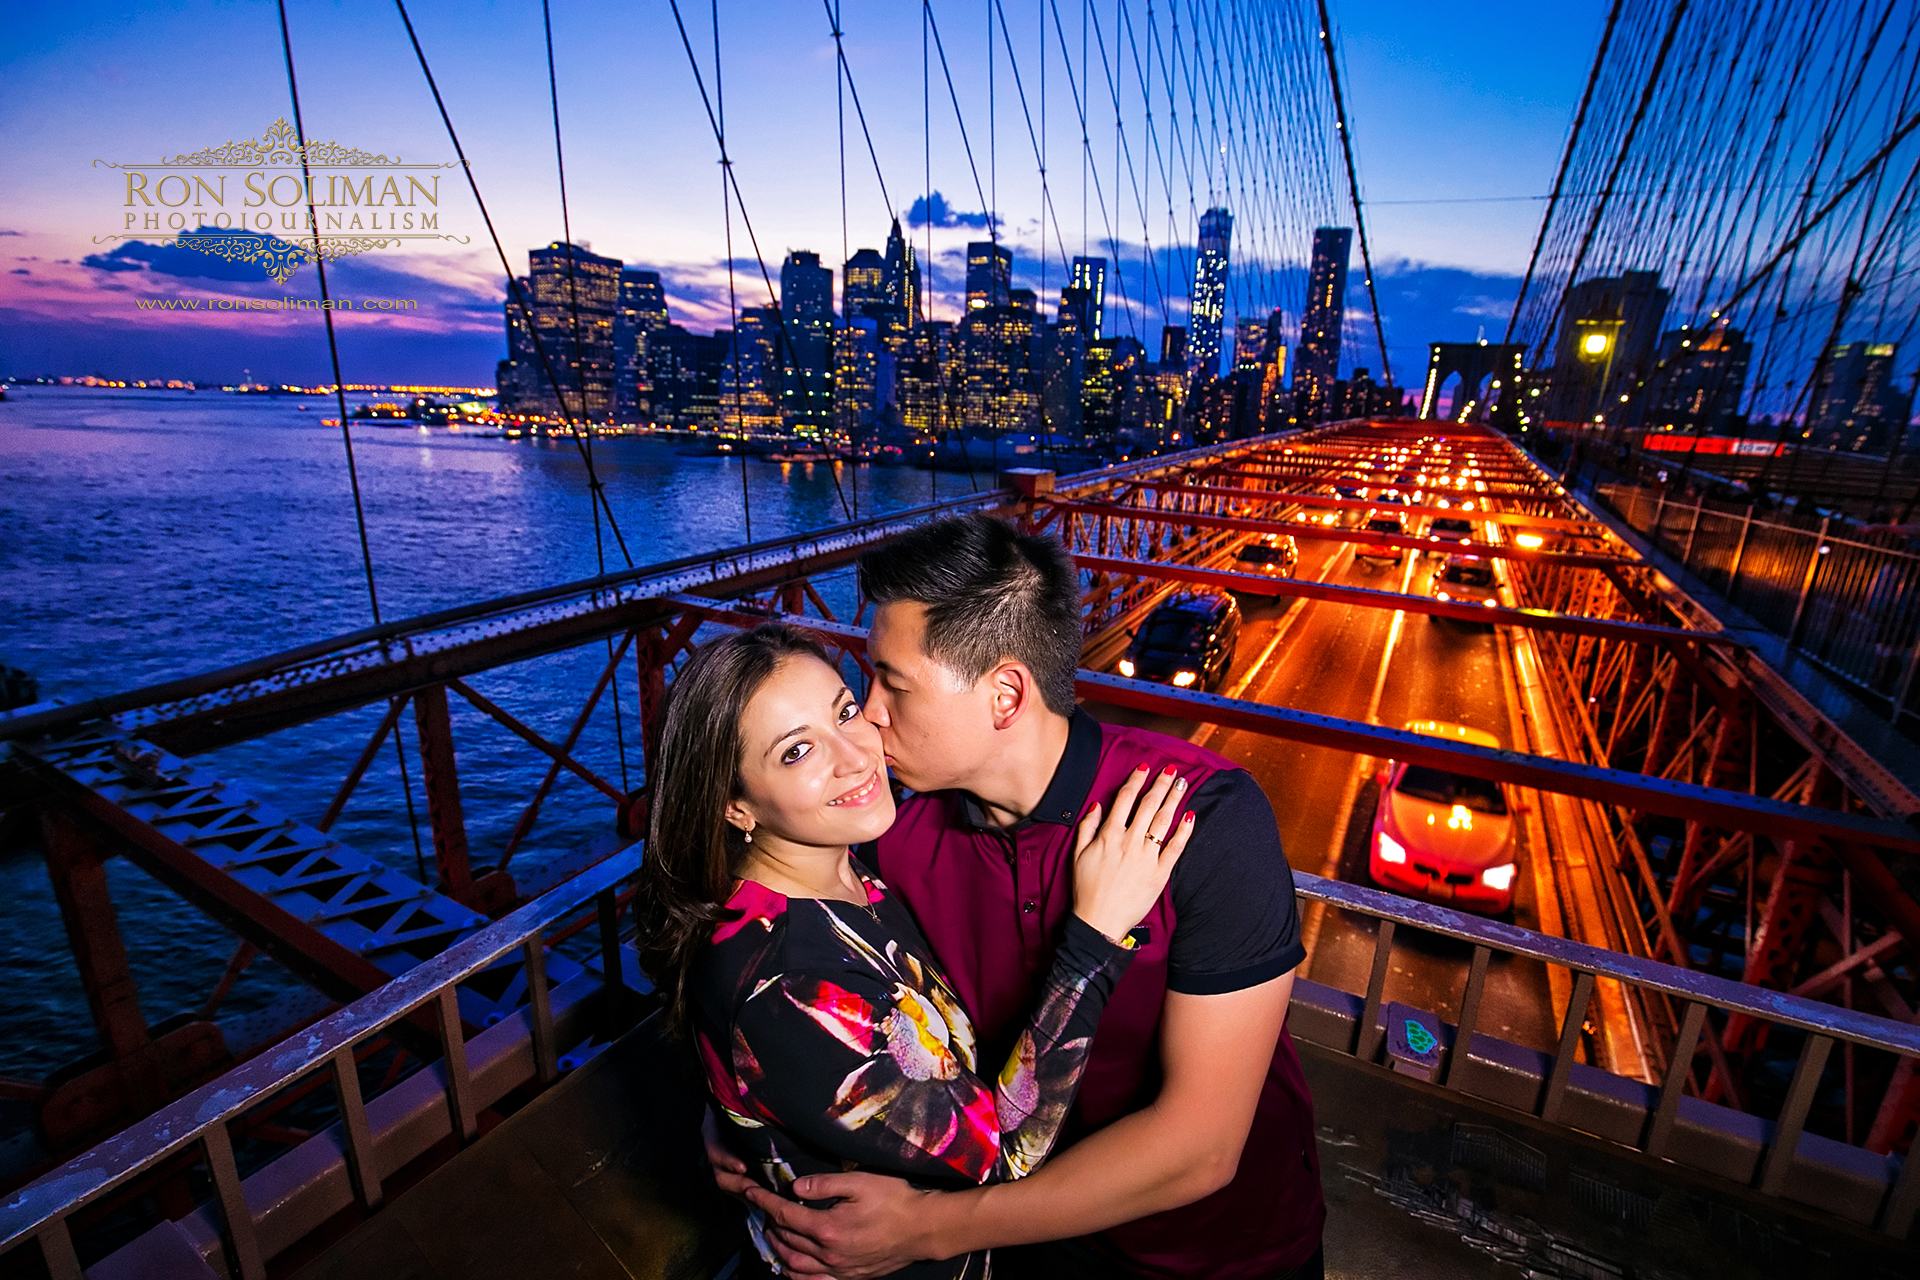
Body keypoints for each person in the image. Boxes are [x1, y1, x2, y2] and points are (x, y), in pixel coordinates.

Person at [714, 513, 1325, 1279]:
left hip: (1215, 1251)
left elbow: (1201, 1148)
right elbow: (771, 958)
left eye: (892, 684)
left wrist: (931, 1230)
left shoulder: (1205, 820)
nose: (870, 714)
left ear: (1005, 694)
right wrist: (742, 1114)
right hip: (1021, 1239)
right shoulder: (887, 837)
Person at [634, 621, 1199, 1279]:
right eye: (796, 752)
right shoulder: (790, 982)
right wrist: (1094, 936)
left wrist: (742, 1109)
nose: (855, 755)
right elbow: (1004, 1157)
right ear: (735, 807)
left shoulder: (846, 865)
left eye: (846, 712)